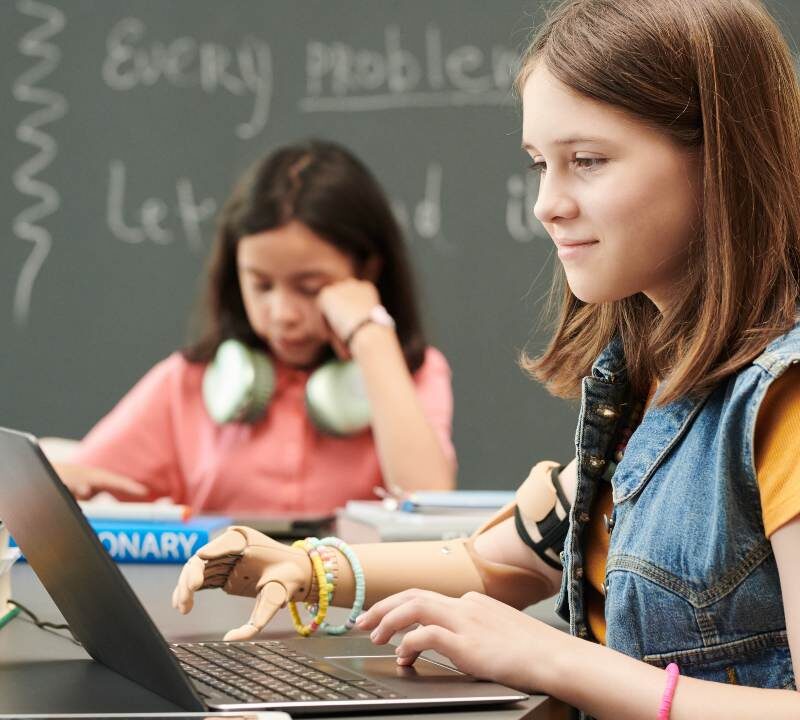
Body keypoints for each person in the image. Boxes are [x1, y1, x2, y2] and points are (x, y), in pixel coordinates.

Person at [171, 1, 800, 717]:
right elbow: (499, 560)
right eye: (540, 164)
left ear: (722, 157)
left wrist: (556, 658)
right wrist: (307, 567)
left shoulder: (783, 396)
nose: (546, 204)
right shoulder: (647, 373)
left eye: (586, 162)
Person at [59, 140, 456, 513]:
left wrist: (371, 335)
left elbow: (428, 505)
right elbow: (77, 481)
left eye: (310, 287)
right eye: (261, 285)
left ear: (367, 270)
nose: (282, 312)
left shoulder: (415, 375)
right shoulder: (187, 384)